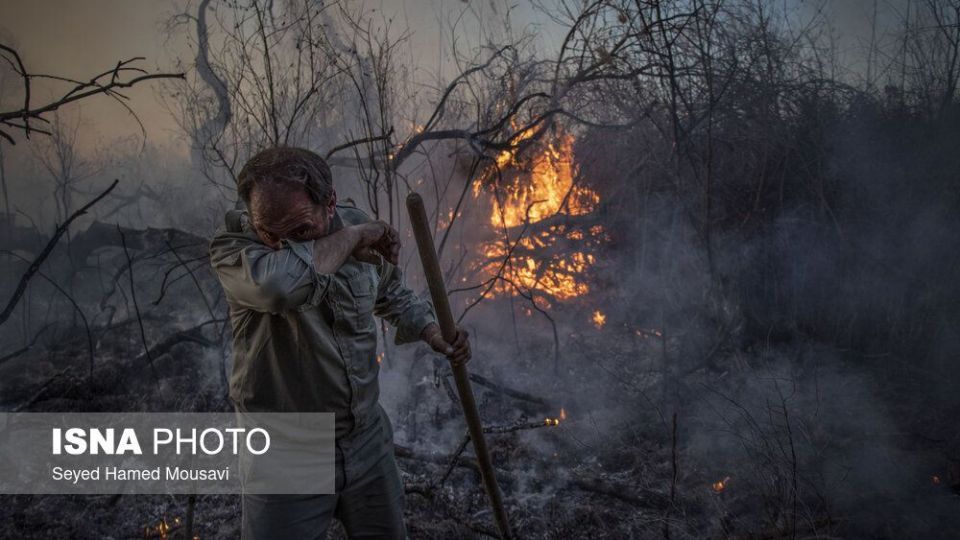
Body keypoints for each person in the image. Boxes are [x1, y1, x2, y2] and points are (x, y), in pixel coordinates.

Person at [209, 146, 470, 539]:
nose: (281, 246)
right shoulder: (235, 248)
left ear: (329, 203)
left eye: (299, 232)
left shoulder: (351, 227)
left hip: (366, 440)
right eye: (268, 232)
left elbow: (389, 292)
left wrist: (432, 331)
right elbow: (280, 287)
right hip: (284, 454)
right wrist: (353, 237)